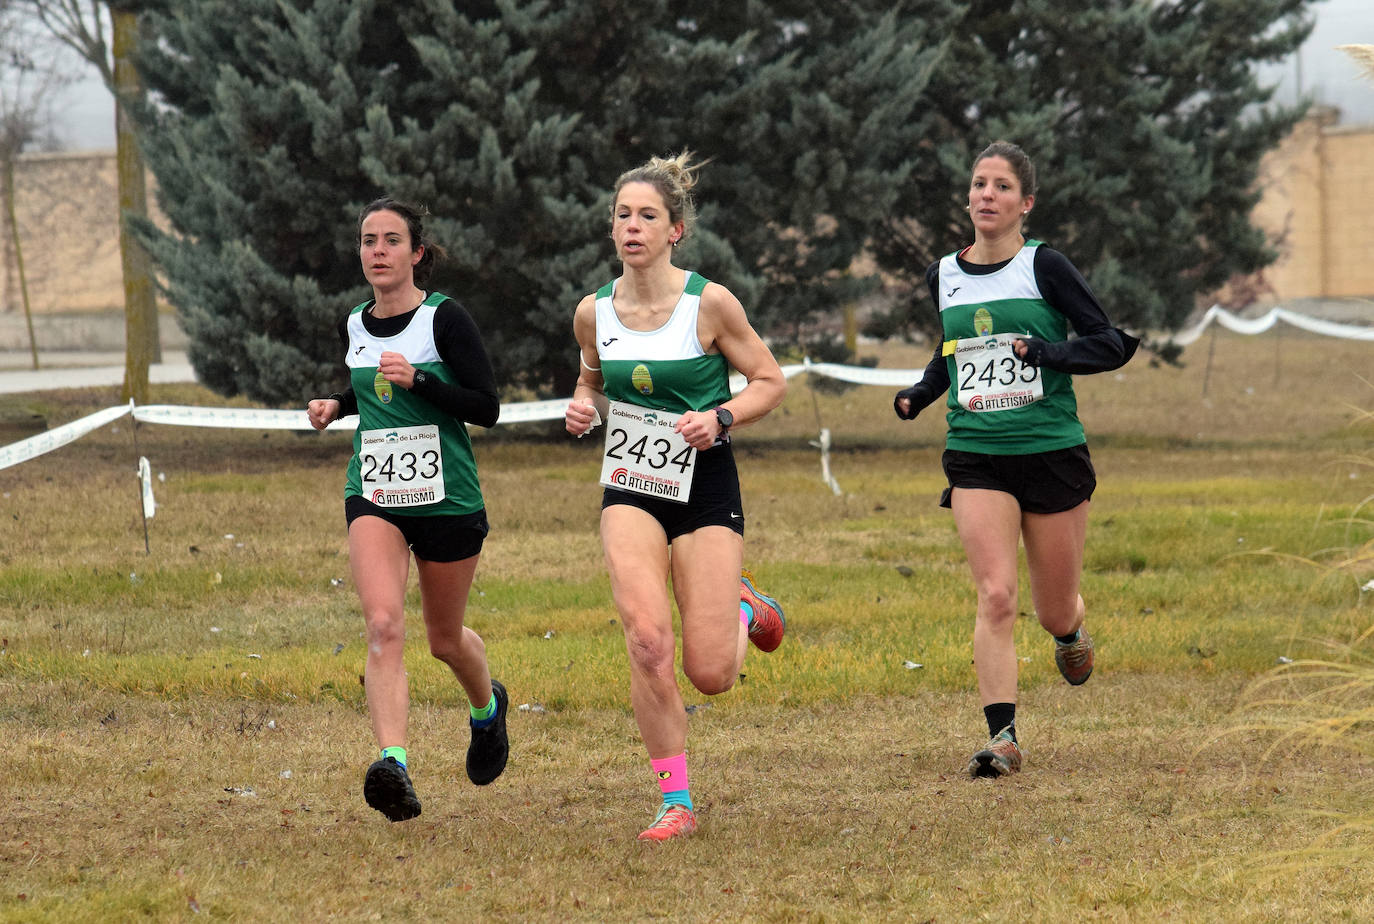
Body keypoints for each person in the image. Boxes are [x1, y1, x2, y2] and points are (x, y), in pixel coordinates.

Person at [893, 141, 1139, 779]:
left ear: (1025, 203)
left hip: (1051, 451)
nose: (986, 196)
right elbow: (953, 351)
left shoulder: (1045, 266)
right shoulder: (942, 273)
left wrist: (1045, 354)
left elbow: (1109, 343)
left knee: (1053, 606)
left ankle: (1070, 631)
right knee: (997, 595)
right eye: (978, 184)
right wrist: (921, 393)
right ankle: (1002, 737)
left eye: (1002, 186)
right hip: (977, 453)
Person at [564, 152, 788, 841]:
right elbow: (592, 380)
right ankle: (676, 801)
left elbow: (770, 381)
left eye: (647, 216)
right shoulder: (592, 311)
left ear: (675, 231)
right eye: (623, 215)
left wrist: (721, 417)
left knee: (711, 672)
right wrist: (582, 406)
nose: (633, 227)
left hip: (705, 482)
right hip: (631, 487)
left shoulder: (709, 304)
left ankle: (745, 608)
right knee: (647, 640)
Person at [307, 196, 508, 821]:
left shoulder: (445, 319)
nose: (378, 252)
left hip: (447, 496)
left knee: (444, 639)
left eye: (391, 240)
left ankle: (487, 708)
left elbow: (486, 405)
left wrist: (422, 382)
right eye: (368, 240)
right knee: (384, 625)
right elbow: (368, 388)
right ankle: (394, 764)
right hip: (376, 490)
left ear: (416, 253)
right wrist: (337, 406)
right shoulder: (355, 323)